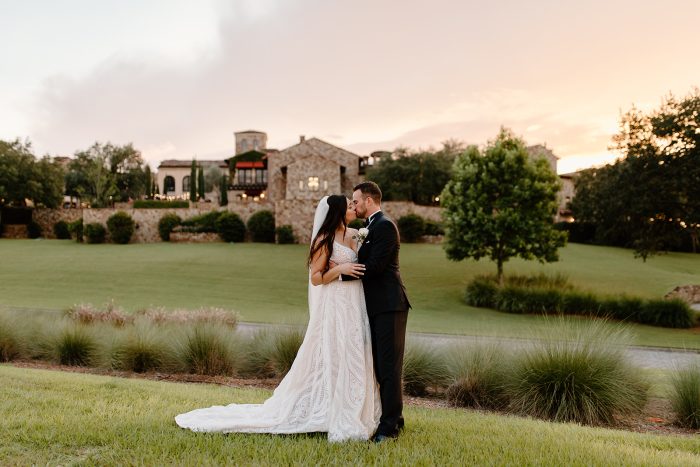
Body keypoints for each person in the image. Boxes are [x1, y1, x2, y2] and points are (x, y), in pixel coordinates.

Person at [175, 195, 380, 442]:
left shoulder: (357, 233)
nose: (353, 208)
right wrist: (339, 269)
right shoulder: (324, 239)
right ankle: (329, 409)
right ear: (337, 213)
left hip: (354, 301)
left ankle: (354, 405)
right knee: (333, 353)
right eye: (348, 206)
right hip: (335, 302)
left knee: (353, 351)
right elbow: (316, 277)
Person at [340, 181, 411, 443]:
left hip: (390, 305)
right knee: (382, 368)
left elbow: (376, 266)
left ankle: (388, 428)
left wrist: (338, 277)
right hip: (376, 306)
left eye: (356, 201)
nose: (354, 205)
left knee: (389, 368)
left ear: (369, 201)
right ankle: (396, 419)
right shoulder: (370, 226)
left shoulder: (384, 226)